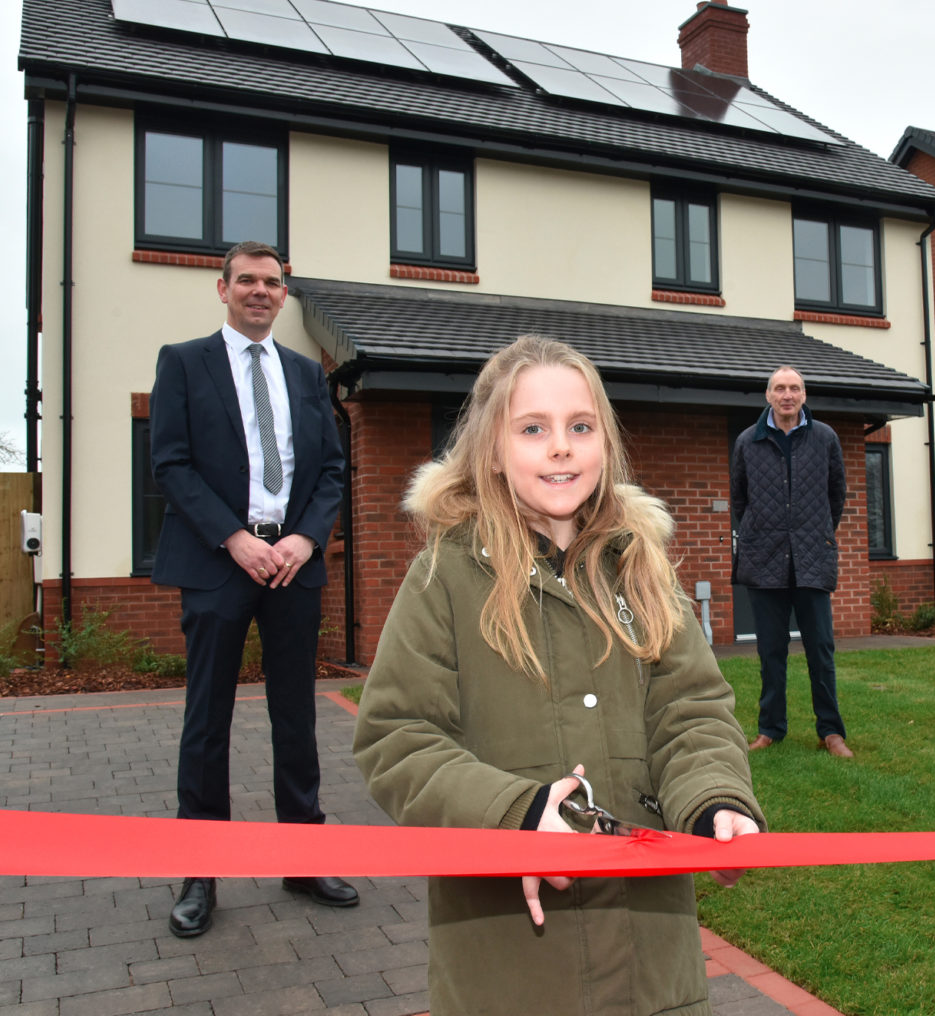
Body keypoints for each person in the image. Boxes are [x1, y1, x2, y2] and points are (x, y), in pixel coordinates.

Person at [353, 336, 764, 1016]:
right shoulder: (445, 576)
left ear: (606, 441)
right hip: (510, 971)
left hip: (651, 967)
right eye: (533, 429)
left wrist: (714, 802)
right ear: (491, 448)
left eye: (581, 427)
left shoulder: (643, 570)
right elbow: (396, 738)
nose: (561, 447)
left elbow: (691, 711)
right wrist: (513, 815)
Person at [150, 240, 356, 937]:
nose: (260, 291)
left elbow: (331, 469)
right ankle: (199, 874)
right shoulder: (184, 363)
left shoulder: (305, 373)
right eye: (247, 280)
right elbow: (170, 464)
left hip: (293, 564)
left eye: (272, 282)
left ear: (284, 294)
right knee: (206, 722)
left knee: (295, 715)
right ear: (223, 288)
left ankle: (303, 858)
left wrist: (303, 538)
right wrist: (234, 538)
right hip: (218, 561)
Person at [729, 365, 852, 757]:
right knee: (771, 651)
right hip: (764, 560)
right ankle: (770, 730)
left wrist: (814, 532)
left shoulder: (825, 438)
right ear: (768, 396)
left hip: (812, 558)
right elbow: (739, 499)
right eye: (780, 388)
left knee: (821, 650)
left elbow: (836, 494)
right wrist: (762, 531)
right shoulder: (748, 442)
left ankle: (831, 732)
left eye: (794, 388)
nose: (787, 395)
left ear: (803, 395)